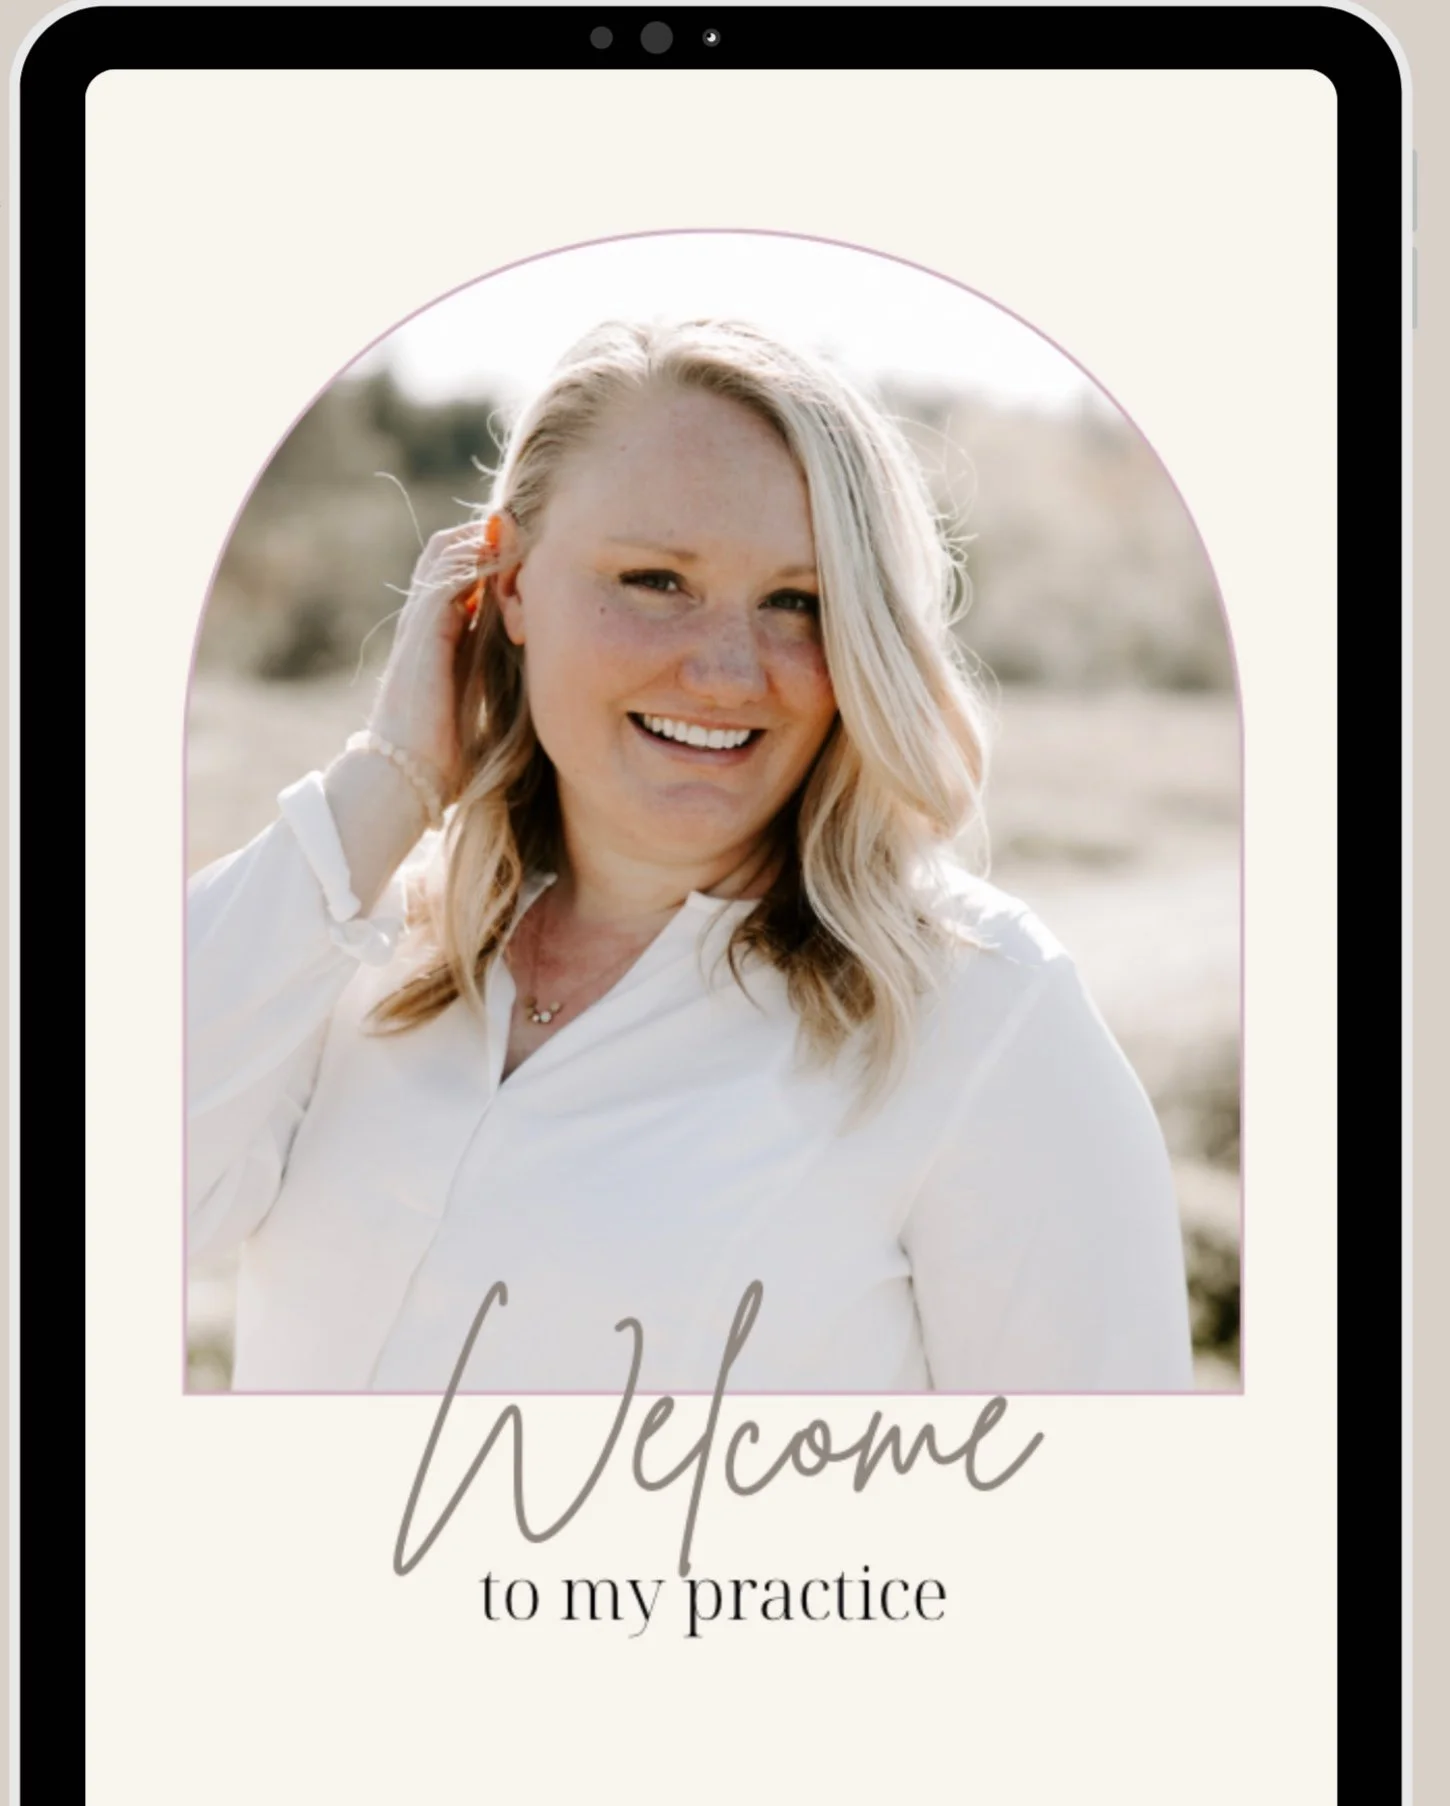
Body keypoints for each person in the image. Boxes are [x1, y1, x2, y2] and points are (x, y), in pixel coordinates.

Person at [187, 317, 1195, 1395]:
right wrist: (393, 776)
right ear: (509, 583)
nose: (724, 671)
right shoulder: (341, 940)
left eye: (797, 603)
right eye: (656, 580)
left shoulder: (982, 1015)